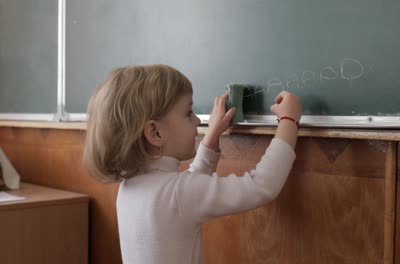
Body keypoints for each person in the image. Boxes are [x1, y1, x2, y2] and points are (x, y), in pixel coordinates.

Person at [83, 64, 301, 264]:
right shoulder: (178, 193)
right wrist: (288, 122)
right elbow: (261, 186)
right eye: (188, 113)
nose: (198, 120)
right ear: (155, 132)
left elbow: (188, 185)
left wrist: (213, 134)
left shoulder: (130, 186)